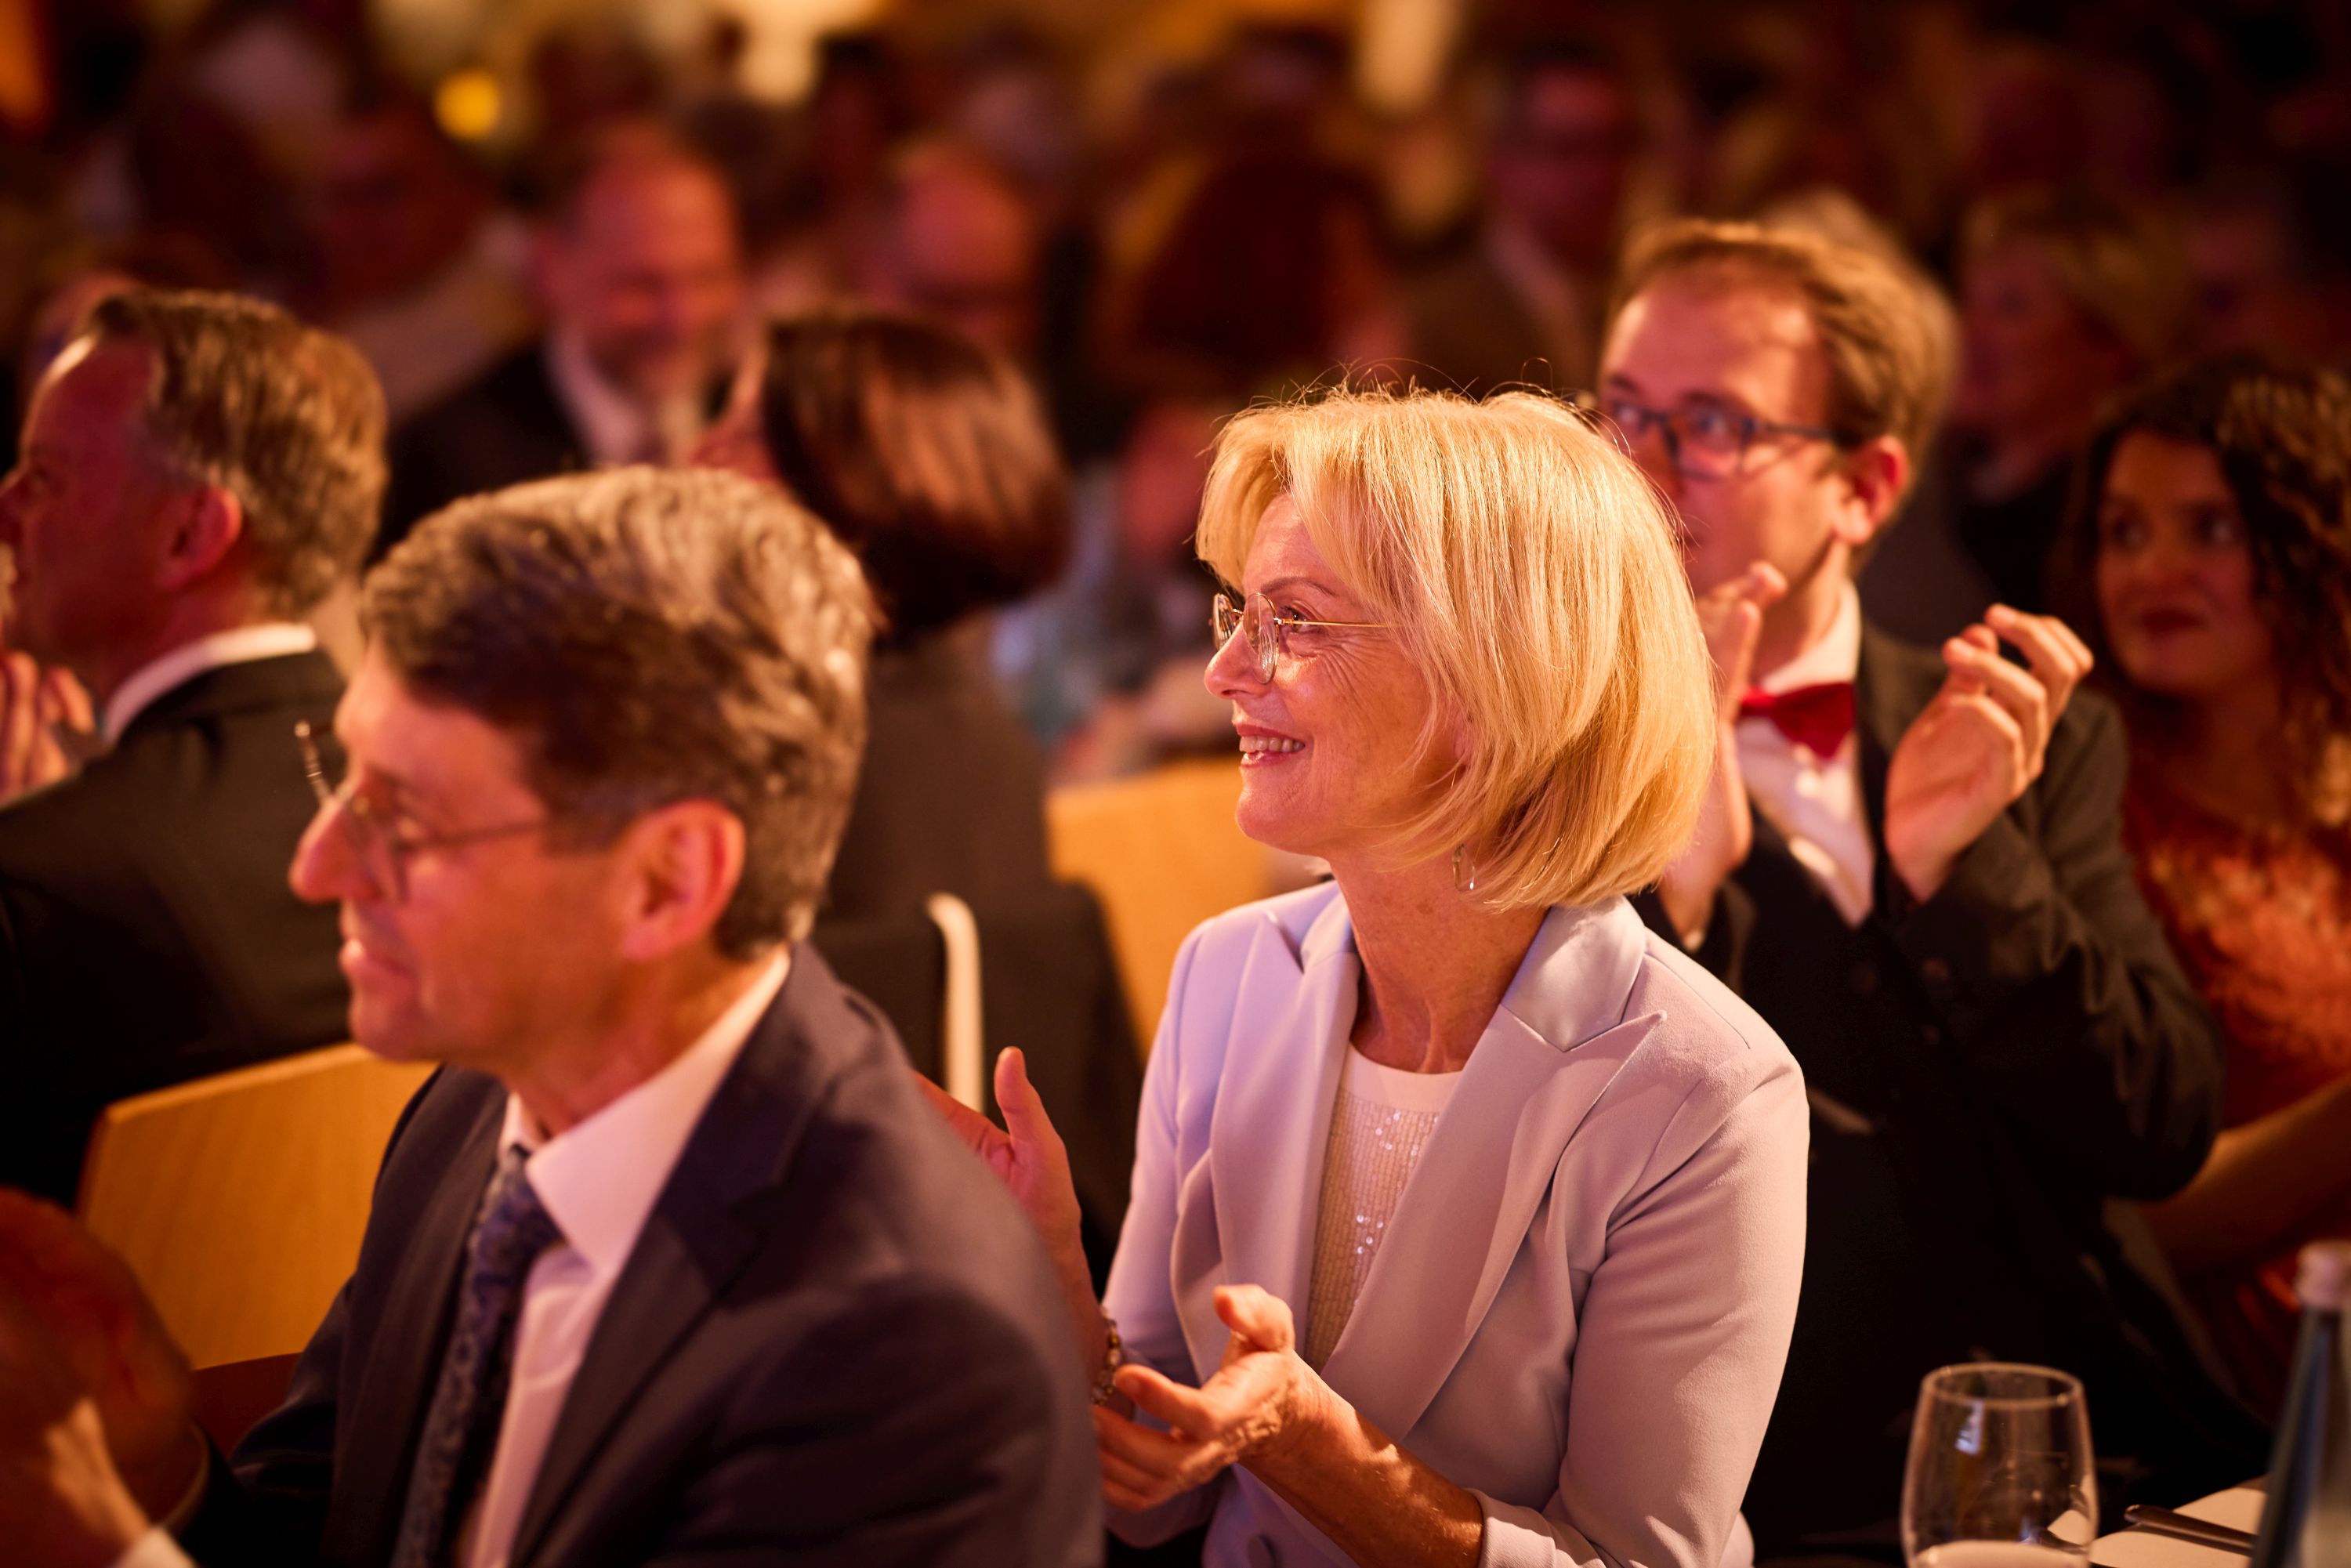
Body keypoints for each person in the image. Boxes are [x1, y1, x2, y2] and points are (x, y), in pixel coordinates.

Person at [0, 465, 1103, 1568]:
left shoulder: (896, 1343)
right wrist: (158, 1479)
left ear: (669, 881)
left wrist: (97, 1546)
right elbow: (327, 1535)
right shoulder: (484, 1100)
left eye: (404, 815)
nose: (317, 867)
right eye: (343, 781)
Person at [935, 386, 1809, 1568]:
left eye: (1293, 622)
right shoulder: (1227, 973)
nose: (1224, 672)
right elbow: (1154, 1493)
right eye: (1238, 613)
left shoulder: (1704, 1090)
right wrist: (1049, 1275)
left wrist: (1311, 1442)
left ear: (1488, 686)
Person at [1596, 217, 2253, 1553]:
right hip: (1774, 1491)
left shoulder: (2017, 725)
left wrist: (1961, 866)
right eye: (1621, 411)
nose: (1643, 469)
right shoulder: (1534, 758)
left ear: (1865, 486)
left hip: (2102, 1436)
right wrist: (1681, 905)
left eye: (1713, 423)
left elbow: (2161, 1123)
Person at [0, 288, 373, 1203]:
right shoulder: (452, 814)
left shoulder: (38, 884)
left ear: (189, 535)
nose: (6, 508)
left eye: (44, 477)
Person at [2073, 354, 2351, 1416]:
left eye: (2211, 530)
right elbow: (2126, 1223)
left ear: (2313, 540)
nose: (2154, 571)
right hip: (2231, 1413)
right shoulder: (2091, 812)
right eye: (2124, 531)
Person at [697, 307, 1067, 921]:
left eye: (749, 434)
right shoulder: (987, 732)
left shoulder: (787, 758)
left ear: (862, 485)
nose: (698, 454)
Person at [377, 126, 747, 555]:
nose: (681, 318)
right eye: (642, 286)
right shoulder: (448, 460)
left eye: (706, 278)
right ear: (551, 269)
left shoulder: (770, 425)